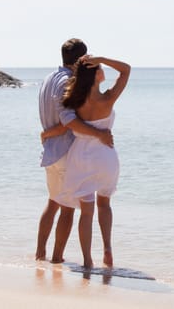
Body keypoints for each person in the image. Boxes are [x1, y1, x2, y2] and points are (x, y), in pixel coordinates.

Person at [41, 55, 130, 268]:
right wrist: (101, 58)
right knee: (105, 204)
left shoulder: (75, 101)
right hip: (105, 156)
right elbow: (126, 70)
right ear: (97, 75)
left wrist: (46, 134)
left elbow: (67, 124)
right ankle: (107, 249)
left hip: (81, 157)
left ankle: (87, 261)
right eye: (100, 68)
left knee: (86, 213)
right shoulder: (108, 98)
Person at [36, 39, 113, 263]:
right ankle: (56, 259)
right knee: (67, 209)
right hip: (64, 152)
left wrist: (46, 135)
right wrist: (99, 134)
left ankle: (40, 255)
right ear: (82, 59)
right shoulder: (68, 81)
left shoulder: (47, 79)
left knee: (52, 203)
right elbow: (68, 121)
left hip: (50, 152)